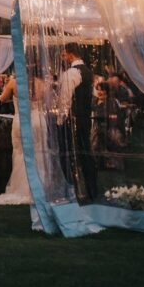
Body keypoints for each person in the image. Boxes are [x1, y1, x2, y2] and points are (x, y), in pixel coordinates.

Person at [58, 43, 97, 203]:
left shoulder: (71, 73)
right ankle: (91, 189)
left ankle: (73, 189)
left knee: (69, 154)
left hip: (73, 119)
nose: (63, 57)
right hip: (85, 118)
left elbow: (65, 99)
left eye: (64, 54)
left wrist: (61, 120)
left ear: (71, 55)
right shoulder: (88, 72)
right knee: (86, 153)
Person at [0, 74, 31, 205]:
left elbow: (2, 98)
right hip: (36, 120)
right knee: (38, 153)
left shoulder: (14, 82)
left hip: (21, 120)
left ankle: (22, 188)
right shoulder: (41, 82)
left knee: (20, 153)